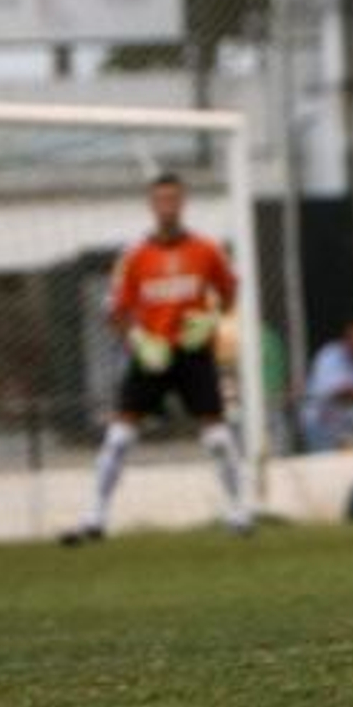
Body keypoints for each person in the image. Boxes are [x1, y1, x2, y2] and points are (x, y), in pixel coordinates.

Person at [60, 173, 251, 543]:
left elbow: (229, 295)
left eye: (173, 199)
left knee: (216, 439)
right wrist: (137, 338)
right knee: (118, 438)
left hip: (193, 353)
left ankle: (239, 512)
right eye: (161, 199)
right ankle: (95, 517)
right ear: (151, 205)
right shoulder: (134, 256)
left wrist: (210, 318)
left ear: (183, 203)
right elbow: (114, 310)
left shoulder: (207, 250)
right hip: (152, 355)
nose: (168, 206)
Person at [301, 321, 353, 452]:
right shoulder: (329, 356)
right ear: (347, 337)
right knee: (325, 466)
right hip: (320, 423)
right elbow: (339, 392)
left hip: (344, 426)